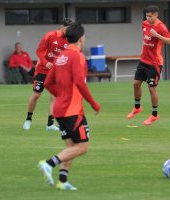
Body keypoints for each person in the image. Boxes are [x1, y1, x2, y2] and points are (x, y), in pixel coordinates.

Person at [38, 23, 101, 190]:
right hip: (72, 110)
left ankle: (63, 181)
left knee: (71, 148)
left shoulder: (60, 56)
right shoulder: (77, 56)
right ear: (81, 38)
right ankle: (48, 164)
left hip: (60, 108)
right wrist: (93, 103)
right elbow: (80, 82)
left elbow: (47, 82)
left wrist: (61, 95)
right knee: (82, 147)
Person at [22, 18, 74, 131]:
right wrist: (46, 63)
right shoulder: (50, 35)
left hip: (57, 72)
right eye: (68, 28)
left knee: (54, 97)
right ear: (62, 26)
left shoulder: (70, 40)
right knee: (36, 95)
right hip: (42, 70)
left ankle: (50, 124)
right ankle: (28, 119)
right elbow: (39, 51)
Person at [127, 5, 170, 125]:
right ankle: (137, 107)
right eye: (146, 15)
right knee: (136, 84)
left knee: (151, 88)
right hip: (144, 61)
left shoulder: (161, 27)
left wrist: (157, 35)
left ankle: (154, 115)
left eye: (150, 16)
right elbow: (145, 39)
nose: (147, 18)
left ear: (156, 15)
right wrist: (142, 50)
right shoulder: (145, 24)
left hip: (155, 63)